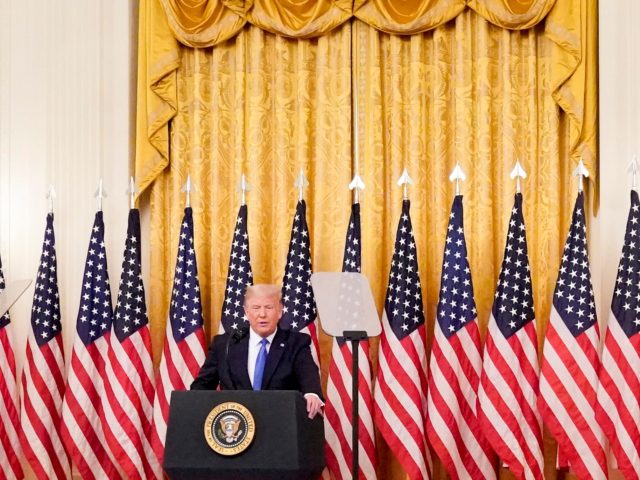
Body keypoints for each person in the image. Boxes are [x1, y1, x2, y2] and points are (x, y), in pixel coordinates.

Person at [191, 284, 324, 419]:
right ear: (246, 312)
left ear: (280, 311)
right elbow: (201, 386)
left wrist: (312, 394)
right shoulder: (224, 344)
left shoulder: (296, 343)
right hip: (235, 428)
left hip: (281, 424)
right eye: (256, 308)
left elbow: (308, 374)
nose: (262, 314)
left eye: (268, 307)